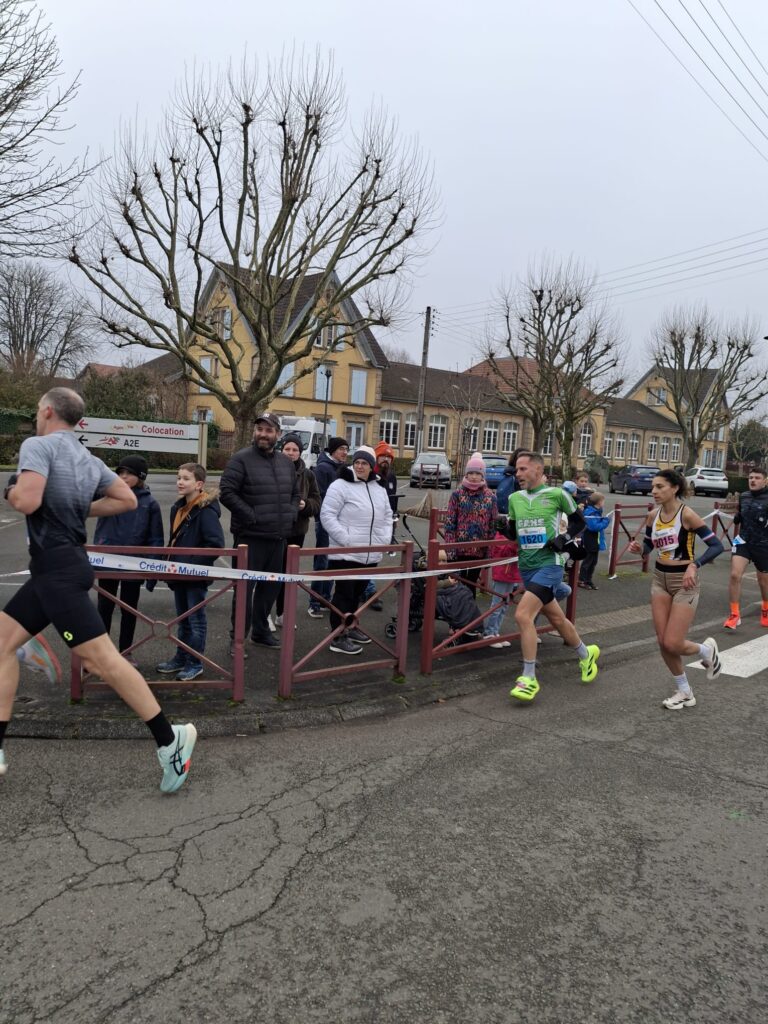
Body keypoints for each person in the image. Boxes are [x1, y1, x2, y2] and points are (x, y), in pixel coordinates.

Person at [0, 387, 196, 791]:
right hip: (58, 568)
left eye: (39, 412)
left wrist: (11, 491)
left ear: (48, 411)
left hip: (57, 571)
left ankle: (170, 739)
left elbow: (28, 501)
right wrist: (76, 506)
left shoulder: (37, 445)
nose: (38, 417)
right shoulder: (88, 458)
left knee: (104, 661)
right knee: (1, 643)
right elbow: (126, 500)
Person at [508, 451, 600, 703]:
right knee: (558, 619)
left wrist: (564, 538)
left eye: (523, 469)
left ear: (538, 470)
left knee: (522, 615)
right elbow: (513, 533)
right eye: (517, 470)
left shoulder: (558, 494)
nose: (518, 474)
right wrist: (502, 528)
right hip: (527, 565)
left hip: (550, 564)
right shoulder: (515, 498)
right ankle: (586, 654)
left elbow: (579, 522)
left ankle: (529, 677)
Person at [628, 469, 724, 710]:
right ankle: (684, 691)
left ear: (674, 488)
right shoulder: (652, 516)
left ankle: (706, 650)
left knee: (673, 642)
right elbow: (650, 545)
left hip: (685, 582)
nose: (654, 491)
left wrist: (695, 565)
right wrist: (640, 549)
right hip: (660, 579)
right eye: (653, 487)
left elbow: (716, 545)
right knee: (663, 642)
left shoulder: (688, 515)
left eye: (660, 487)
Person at [219, 412, 298, 651]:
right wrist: (252, 516)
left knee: (270, 589)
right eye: (259, 429)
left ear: (278, 434)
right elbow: (227, 492)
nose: (263, 434)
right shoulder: (240, 459)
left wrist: (291, 513)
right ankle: (238, 639)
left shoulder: (286, 462)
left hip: (278, 538)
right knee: (244, 591)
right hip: (250, 539)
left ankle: (261, 632)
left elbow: (295, 493)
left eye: (268, 430)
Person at [320, 446, 393, 655]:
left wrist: (384, 538)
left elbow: (388, 515)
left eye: (365, 463)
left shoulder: (379, 488)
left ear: (372, 467)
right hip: (346, 552)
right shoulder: (340, 485)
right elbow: (327, 515)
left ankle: (350, 626)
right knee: (343, 594)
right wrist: (346, 539)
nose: (360, 466)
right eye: (357, 462)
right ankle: (337, 635)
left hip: (370, 553)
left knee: (357, 594)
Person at [156, 463, 224, 681]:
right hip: (178, 574)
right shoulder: (178, 508)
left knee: (196, 620)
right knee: (183, 620)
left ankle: (195, 662)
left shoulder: (206, 510)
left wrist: (191, 565)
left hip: (193, 576)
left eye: (185, 478)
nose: (180, 482)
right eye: (178, 477)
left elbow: (215, 545)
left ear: (199, 484)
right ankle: (181, 657)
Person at [94, 454, 164, 664]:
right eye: (120, 473)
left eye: (129, 473)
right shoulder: (104, 495)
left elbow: (155, 538)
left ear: (140, 476)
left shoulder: (150, 503)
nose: (123, 477)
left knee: (129, 610)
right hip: (106, 562)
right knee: (103, 609)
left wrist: (152, 569)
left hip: (135, 564)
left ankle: (127, 651)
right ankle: (101, 654)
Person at [271, 432, 321, 626]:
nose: (291, 453)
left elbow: (317, 501)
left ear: (300, 453)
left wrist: (305, 506)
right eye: (287, 449)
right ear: (281, 450)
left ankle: (283, 613)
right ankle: (264, 615)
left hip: (296, 532)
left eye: (295, 450)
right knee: (271, 574)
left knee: (289, 574)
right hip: (273, 531)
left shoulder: (308, 475)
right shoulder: (271, 469)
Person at [308, 436, 349, 617]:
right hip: (325, 522)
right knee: (322, 561)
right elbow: (319, 496)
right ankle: (314, 602)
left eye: (346, 449)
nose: (345, 452)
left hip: (340, 523)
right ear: (332, 450)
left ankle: (325, 598)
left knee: (334, 561)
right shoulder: (323, 468)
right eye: (342, 449)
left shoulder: (342, 469)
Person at [443, 452, 498, 589]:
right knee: (457, 586)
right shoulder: (457, 494)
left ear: (482, 475)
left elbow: (493, 526)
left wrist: (488, 553)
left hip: (479, 551)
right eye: (471, 473)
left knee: (472, 585)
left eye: (478, 473)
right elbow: (450, 523)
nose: (474, 476)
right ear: (466, 474)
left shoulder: (490, 497)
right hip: (458, 549)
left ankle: (469, 610)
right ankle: (458, 610)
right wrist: (450, 551)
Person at [723, 466, 768, 629]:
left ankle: (766, 608)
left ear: (765, 481)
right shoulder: (744, 496)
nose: (753, 480)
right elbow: (741, 515)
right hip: (743, 541)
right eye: (751, 478)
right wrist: (737, 517)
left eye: (757, 478)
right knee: (735, 575)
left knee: (764, 583)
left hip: (763, 545)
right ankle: (734, 615)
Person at [362, 440, 400, 610]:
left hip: (384, 523)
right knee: (365, 556)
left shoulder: (391, 477)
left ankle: (365, 588)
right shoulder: (369, 475)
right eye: (382, 456)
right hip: (367, 523)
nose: (386, 459)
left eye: (389, 457)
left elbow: (393, 501)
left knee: (375, 557)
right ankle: (369, 591)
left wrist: (394, 520)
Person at [483, 531, 521, 647]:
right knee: (497, 604)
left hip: (511, 572)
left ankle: (495, 631)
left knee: (504, 605)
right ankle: (489, 633)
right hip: (502, 573)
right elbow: (503, 551)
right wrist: (516, 543)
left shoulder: (513, 533)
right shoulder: (501, 534)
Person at [578, 491, 611, 591]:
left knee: (593, 562)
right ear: (599, 502)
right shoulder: (590, 512)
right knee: (588, 561)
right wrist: (606, 521)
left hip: (595, 540)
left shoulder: (597, 511)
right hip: (589, 540)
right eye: (603, 501)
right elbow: (594, 527)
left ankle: (588, 580)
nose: (603, 503)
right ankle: (581, 580)